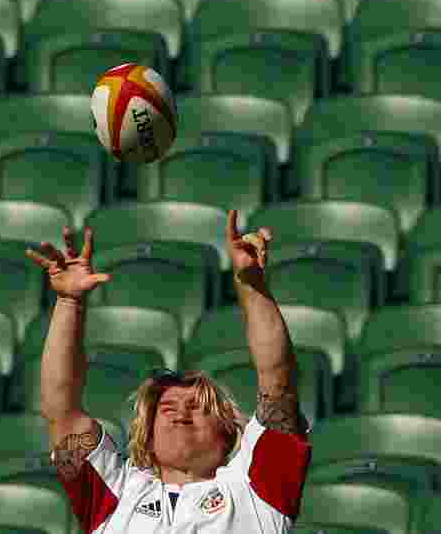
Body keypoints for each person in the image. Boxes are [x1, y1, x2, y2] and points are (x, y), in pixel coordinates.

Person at [25, 210, 311, 533]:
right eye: (166, 407)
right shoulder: (114, 492)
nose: (181, 413)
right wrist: (69, 304)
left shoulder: (257, 490)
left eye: (198, 407)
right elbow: (60, 410)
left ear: (228, 430)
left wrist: (252, 285)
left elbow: (278, 382)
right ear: (147, 433)